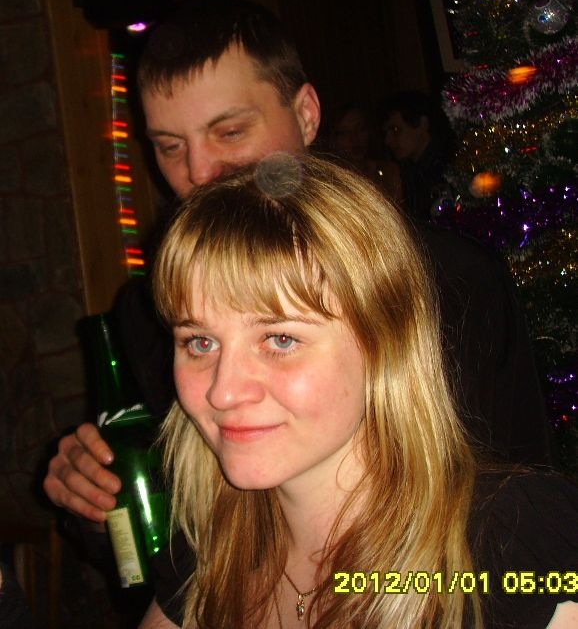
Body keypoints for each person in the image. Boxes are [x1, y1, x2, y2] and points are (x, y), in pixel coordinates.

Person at [41, 0, 552, 622]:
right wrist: (94, 501)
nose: (200, 172)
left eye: (230, 132)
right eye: (170, 146)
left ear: (306, 115)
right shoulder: (148, 312)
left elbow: (502, 511)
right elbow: (179, 524)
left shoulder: (447, 277)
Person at [146, 154, 578, 628]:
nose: (223, 393)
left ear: (384, 344)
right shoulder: (204, 555)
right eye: (200, 342)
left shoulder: (514, 545)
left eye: (281, 339)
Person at [382, 90, 455, 221]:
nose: (387, 140)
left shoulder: (449, 169)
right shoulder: (408, 171)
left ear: (422, 124)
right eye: (386, 132)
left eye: (396, 129)